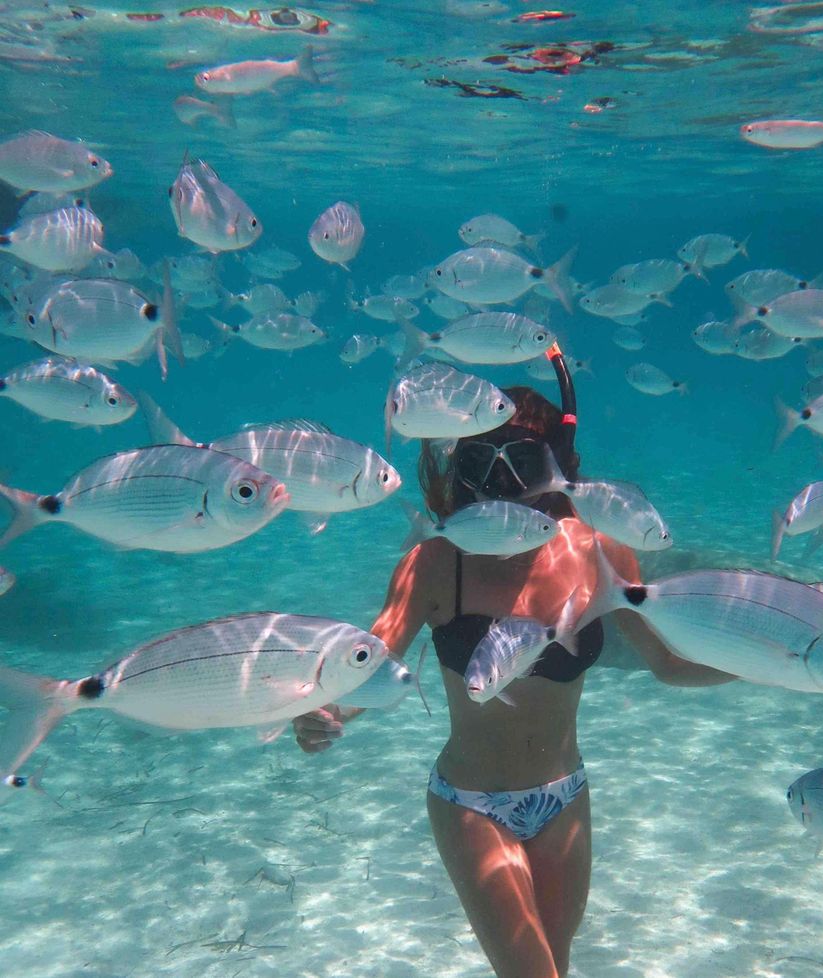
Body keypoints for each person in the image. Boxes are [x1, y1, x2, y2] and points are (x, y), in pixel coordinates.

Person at [293, 355, 734, 978]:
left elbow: (666, 661)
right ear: (461, 468)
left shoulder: (601, 553)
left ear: (555, 466)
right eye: (481, 461)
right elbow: (371, 658)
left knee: (557, 964)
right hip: (470, 803)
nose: (501, 482)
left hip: (565, 796)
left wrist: (780, 664)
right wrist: (328, 710)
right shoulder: (435, 563)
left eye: (522, 461)